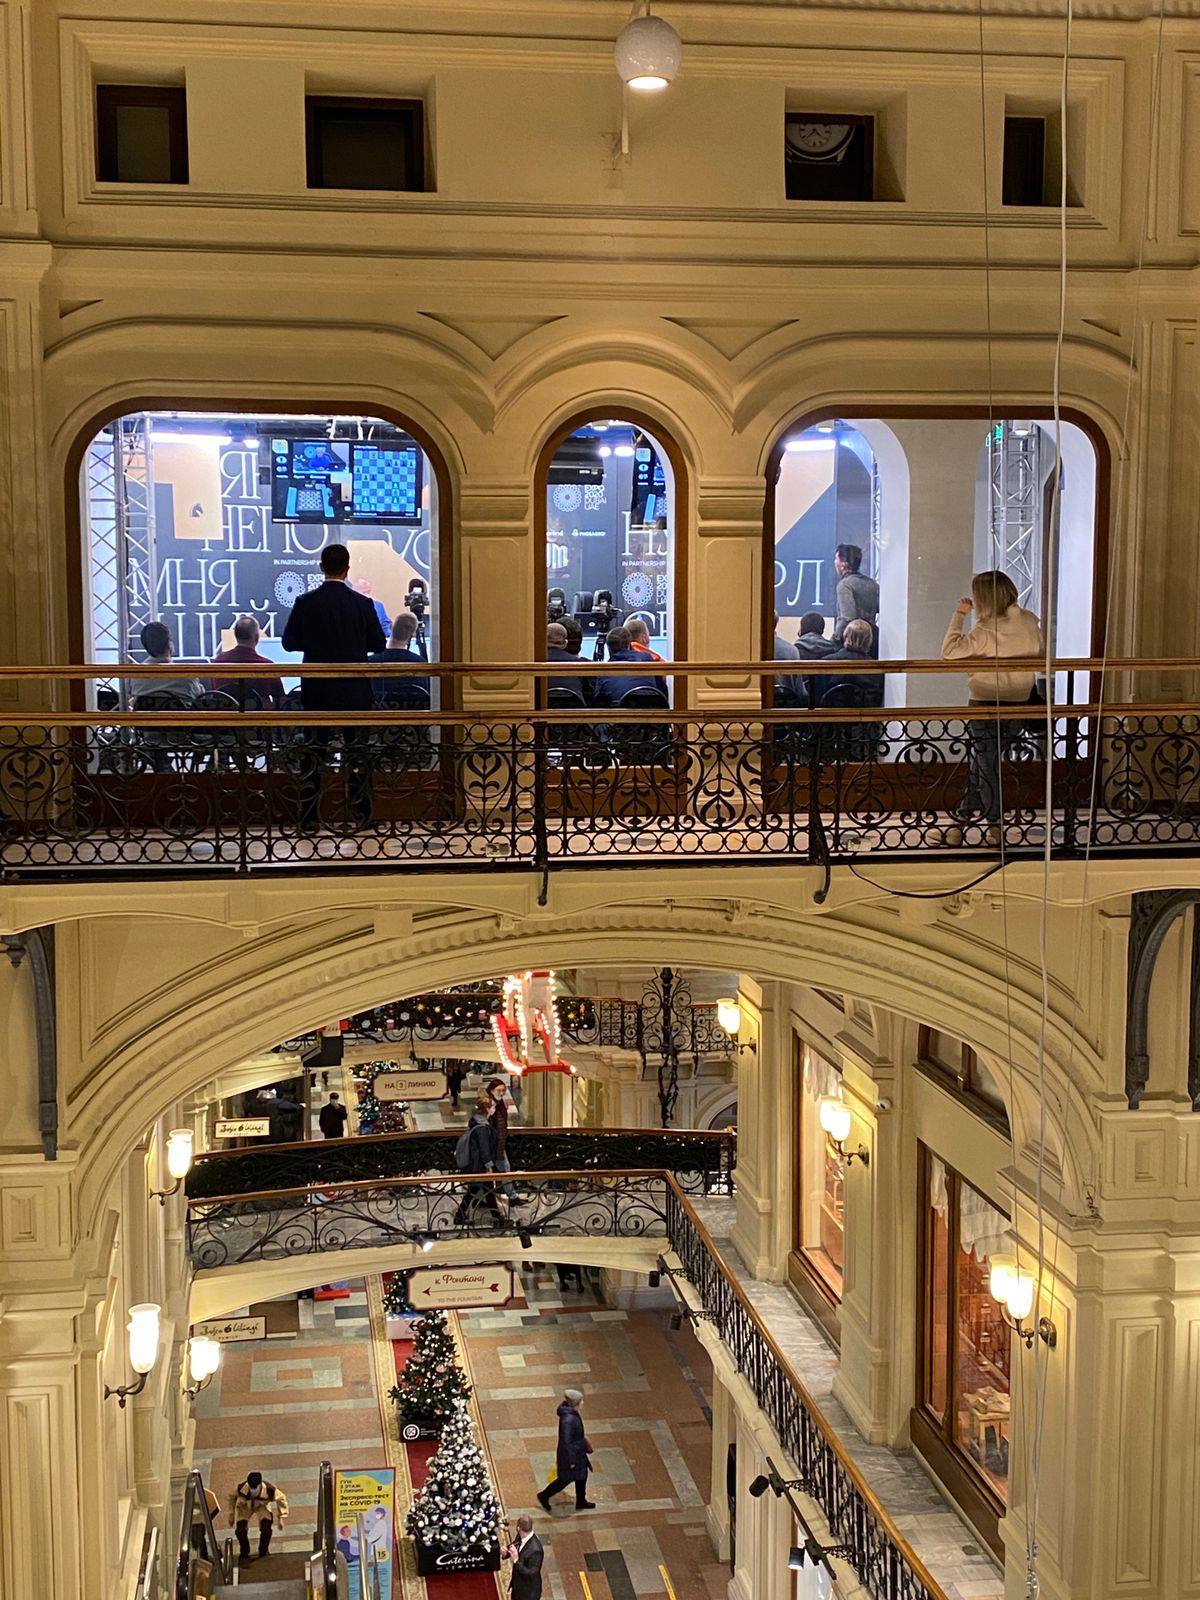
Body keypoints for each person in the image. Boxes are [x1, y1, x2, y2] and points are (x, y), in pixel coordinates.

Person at [281, 544, 387, 831]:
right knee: (358, 752)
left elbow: (289, 643)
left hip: (318, 690)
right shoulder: (362, 604)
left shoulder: (305, 602)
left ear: (321, 568)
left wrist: (316, 644)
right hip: (355, 691)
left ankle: (308, 818)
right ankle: (361, 815)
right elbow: (378, 644)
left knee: (314, 752)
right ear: (347, 569)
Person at [941, 570, 1044, 846]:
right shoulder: (1030, 621)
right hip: (1020, 702)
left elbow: (949, 651)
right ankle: (959, 823)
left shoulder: (985, 631)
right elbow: (1041, 655)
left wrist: (960, 614)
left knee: (986, 764)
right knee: (983, 762)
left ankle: (994, 824)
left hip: (985, 701)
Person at [537, 1389, 595, 1513]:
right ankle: (544, 1495)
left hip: (578, 1452)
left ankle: (581, 1501)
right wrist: (571, 1461)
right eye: (581, 1401)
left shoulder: (572, 1413)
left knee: (582, 1476)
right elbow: (566, 1442)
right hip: (571, 1456)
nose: (583, 1403)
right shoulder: (568, 1420)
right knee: (565, 1479)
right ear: (575, 1403)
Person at [210, 615, 286, 709]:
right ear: (257, 637)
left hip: (226, 715)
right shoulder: (267, 666)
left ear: (236, 635)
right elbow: (281, 700)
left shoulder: (218, 662)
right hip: (258, 717)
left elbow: (215, 692)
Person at [453, 1092, 504, 1226]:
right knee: (487, 1191)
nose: (494, 1109)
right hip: (481, 1166)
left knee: (475, 1190)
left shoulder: (477, 1123)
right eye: (493, 1107)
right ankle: (497, 1219)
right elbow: (484, 1149)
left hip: (477, 1166)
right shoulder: (482, 1128)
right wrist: (489, 1166)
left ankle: (460, 1216)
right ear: (487, 1109)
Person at [128, 621, 205, 703]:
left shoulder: (136, 677)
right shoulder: (187, 676)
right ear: (169, 644)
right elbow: (199, 697)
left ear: (145, 647)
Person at [594, 626, 668, 707]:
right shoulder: (648, 659)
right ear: (629, 644)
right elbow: (662, 692)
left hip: (619, 713)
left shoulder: (604, 672)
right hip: (650, 711)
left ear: (608, 648)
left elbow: (598, 703)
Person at [369, 610, 430, 706]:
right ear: (411, 635)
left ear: (391, 627)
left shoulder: (370, 662)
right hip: (411, 713)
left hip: (377, 713)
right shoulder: (420, 664)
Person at [230, 1471, 287, 1563]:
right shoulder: (241, 1488)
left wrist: (281, 1516)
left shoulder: (269, 1490)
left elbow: (281, 1498)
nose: (252, 1489)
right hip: (245, 1506)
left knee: (266, 1529)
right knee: (240, 1530)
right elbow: (231, 1497)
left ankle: (263, 1551)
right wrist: (231, 1513)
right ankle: (244, 1551)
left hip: (262, 1506)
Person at [824, 619, 884, 707]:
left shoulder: (827, 662)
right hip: (865, 714)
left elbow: (818, 693)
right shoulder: (876, 668)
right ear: (869, 640)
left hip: (831, 713)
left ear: (845, 636)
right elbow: (877, 698)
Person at [832, 544, 879, 654]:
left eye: (836, 559)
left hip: (852, 644)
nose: (835, 562)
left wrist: (834, 641)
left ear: (843, 564)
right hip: (873, 641)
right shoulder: (872, 584)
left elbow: (847, 617)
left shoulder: (845, 585)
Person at [485, 1077, 518, 1201]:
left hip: (500, 1143)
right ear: (491, 1091)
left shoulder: (501, 1103)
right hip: (492, 1145)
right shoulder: (489, 1104)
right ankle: (512, 1197)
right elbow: (483, 1123)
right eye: (498, 1090)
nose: (501, 1093)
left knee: (503, 1170)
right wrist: (489, 1114)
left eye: (503, 1090)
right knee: (504, 1170)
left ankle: (487, 1199)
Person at [546, 621, 592, 704]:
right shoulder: (583, 665)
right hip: (576, 709)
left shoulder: (533, 664)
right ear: (565, 643)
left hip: (539, 710)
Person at [505, 1515, 544, 1600]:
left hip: (527, 1593)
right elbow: (516, 1544)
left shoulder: (536, 1550)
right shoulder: (521, 1535)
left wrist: (516, 1561)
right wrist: (506, 1552)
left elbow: (531, 1573)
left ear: (518, 1528)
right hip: (517, 1585)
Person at [773, 612, 802, 703]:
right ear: (775, 624)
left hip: (755, 705)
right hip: (787, 706)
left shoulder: (750, 651)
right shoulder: (792, 650)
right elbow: (800, 691)